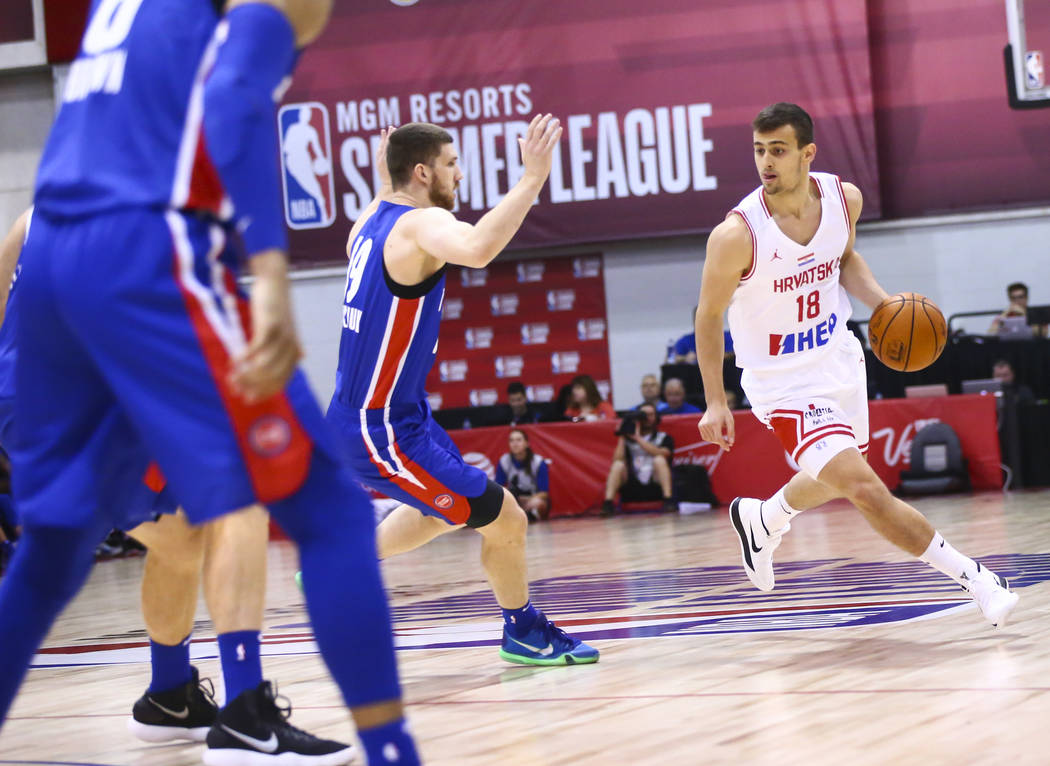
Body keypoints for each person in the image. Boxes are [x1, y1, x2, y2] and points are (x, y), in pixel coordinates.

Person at [0, 3, 421, 764]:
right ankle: (376, 747)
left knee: (63, 548)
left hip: (54, 257)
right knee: (322, 508)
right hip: (145, 250)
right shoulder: (256, 17)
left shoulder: (115, 13)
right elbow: (233, 105)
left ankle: (174, 693)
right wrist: (267, 274)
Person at [696, 102, 1017, 628]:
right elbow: (707, 316)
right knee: (866, 488)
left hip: (839, 357)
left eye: (778, 150)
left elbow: (842, 260)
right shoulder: (737, 235)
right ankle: (977, 580)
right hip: (783, 383)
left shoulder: (844, 200)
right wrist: (714, 398)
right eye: (759, 151)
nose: (766, 163)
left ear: (807, 153)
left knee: (837, 480)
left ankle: (763, 518)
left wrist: (885, 304)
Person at [323, 119, 598, 667]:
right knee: (507, 518)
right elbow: (476, 248)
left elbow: (390, 183)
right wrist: (532, 179)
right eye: (451, 163)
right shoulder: (423, 223)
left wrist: (390, 160)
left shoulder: (368, 221)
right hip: (380, 429)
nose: (460, 173)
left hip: (399, 415)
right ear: (423, 172)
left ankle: (344, 558)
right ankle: (522, 631)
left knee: (447, 512)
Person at [600, 403, 676, 517]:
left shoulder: (663, 437)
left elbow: (664, 454)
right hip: (632, 482)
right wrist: (622, 435)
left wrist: (638, 439)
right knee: (618, 465)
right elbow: (617, 459)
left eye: (651, 415)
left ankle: (668, 500)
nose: (647, 418)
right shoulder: (627, 439)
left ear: (656, 417)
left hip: (654, 481)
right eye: (644, 415)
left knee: (659, 460)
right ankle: (608, 504)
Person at [495, 429, 550, 522]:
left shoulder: (538, 462)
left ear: (527, 443)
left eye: (519, 440)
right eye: (511, 440)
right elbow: (498, 488)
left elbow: (544, 493)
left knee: (539, 503)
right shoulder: (504, 461)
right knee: (497, 502)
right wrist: (510, 499)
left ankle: (531, 515)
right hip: (513, 500)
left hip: (531, 498)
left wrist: (529, 499)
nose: (515, 443)